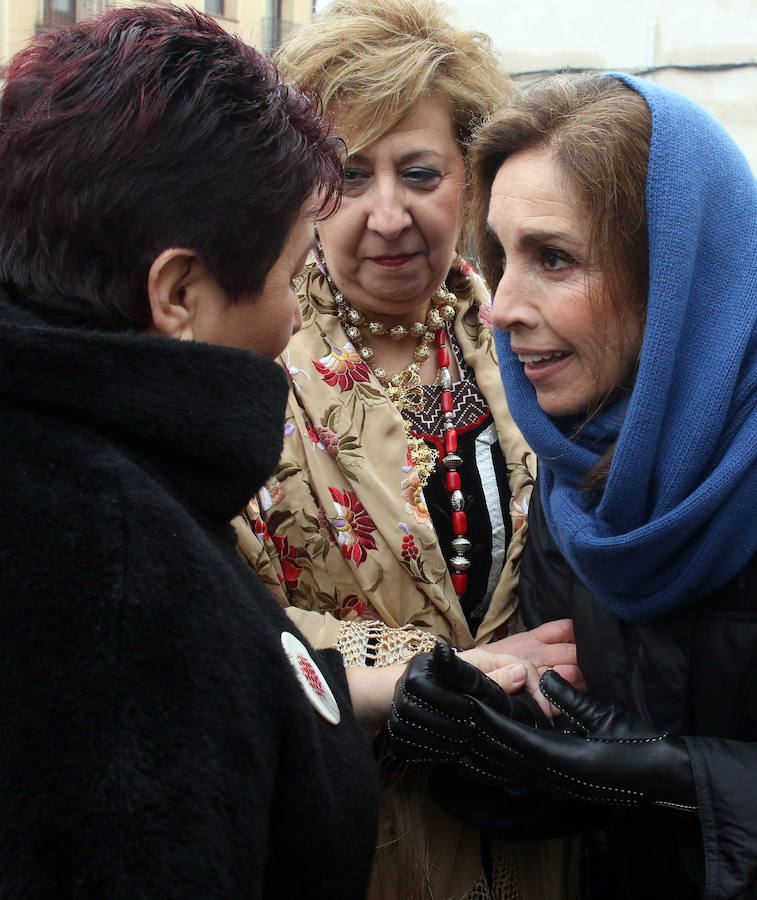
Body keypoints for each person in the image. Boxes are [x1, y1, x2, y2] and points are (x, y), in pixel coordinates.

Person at [0, 7, 381, 897]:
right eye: (291, 276)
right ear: (177, 293)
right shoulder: (117, 568)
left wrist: (346, 687)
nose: (295, 316)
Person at [233, 1, 582, 897]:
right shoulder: (250, 353)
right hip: (356, 848)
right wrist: (437, 678)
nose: (386, 215)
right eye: (348, 177)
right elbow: (228, 620)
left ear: (469, 177)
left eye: (419, 172)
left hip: (540, 836)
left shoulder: (528, 334)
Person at [387, 73, 757, 899]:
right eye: (499, 255)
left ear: (678, 275)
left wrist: (676, 777)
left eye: (553, 258)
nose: (500, 305)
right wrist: (475, 731)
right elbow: (565, 774)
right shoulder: (578, 484)